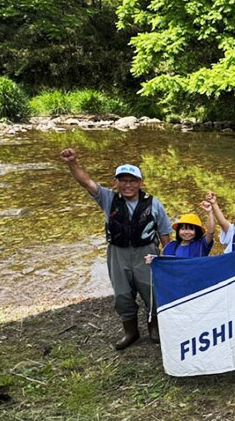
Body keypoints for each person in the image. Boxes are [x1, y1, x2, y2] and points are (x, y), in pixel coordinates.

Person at [59, 148, 171, 349]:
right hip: (118, 254)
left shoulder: (154, 204)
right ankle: (131, 332)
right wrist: (72, 162)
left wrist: (169, 260)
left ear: (140, 183)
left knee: (152, 292)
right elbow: (86, 182)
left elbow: (164, 233)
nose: (128, 185)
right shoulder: (108, 198)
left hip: (146, 253)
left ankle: (154, 329)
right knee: (122, 295)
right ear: (116, 182)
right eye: (123, 180)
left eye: (132, 181)